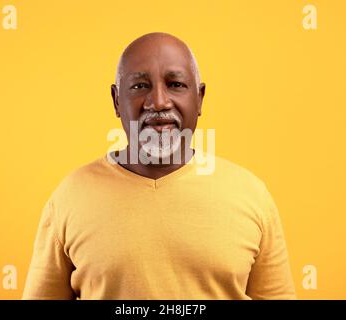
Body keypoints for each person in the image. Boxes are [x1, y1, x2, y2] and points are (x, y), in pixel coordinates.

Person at [22, 32, 296, 300]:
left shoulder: (251, 195)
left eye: (175, 84)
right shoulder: (71, 197)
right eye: (140, 86)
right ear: (117, 100)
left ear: (199, 98)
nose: (159, 102)